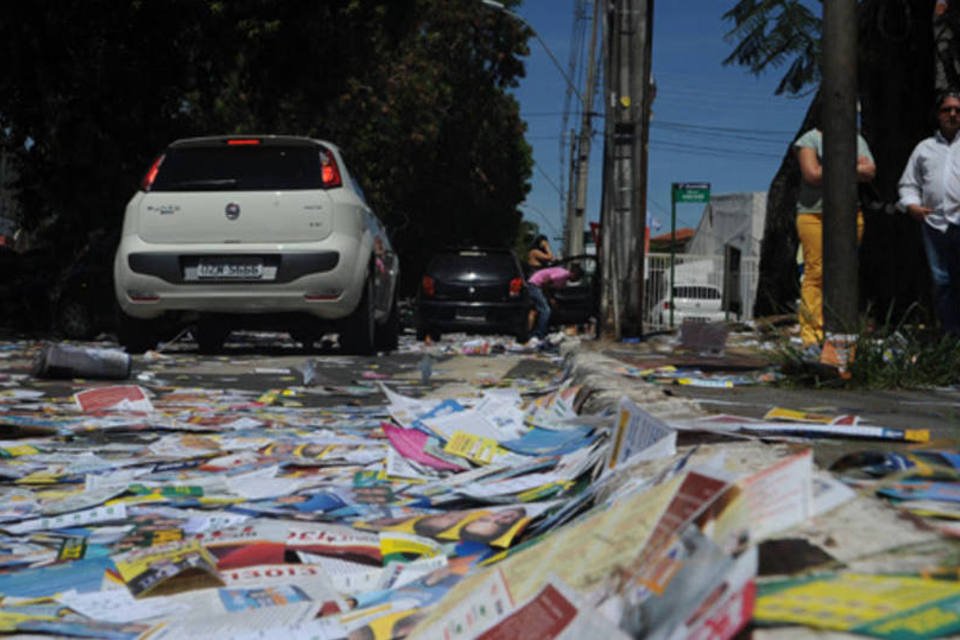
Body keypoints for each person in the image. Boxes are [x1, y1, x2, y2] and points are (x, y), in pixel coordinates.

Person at [794, 109, 876, 350]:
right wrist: (851, 167)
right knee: (816, 271)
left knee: (846, 271)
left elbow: (870, 171)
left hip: (849, 213)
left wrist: (830, 168)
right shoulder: (809, 139)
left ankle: (842, 329)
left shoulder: (856, 139)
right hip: (814, 213)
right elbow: (812, 174)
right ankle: (811, 334)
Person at [899, 90, 960, 337]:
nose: (953, 114)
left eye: (958, 110)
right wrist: (911, 204)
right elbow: (908, 183)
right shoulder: (924, 148)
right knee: (943, 282)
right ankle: (951, 338)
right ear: (938, 114)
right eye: (947, 110)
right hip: (934, 225)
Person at [527, 263, 584, 340]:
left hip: (539, 287)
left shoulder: (564, 279)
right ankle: (539, 334)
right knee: (545, 311)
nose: (576, 280)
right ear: (574, 274)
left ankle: (542, 330)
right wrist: (550, 298)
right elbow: (545, 282)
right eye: (577, 278)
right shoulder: (562, 275)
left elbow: (552, 288)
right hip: (535, 285)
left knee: (547, 309)